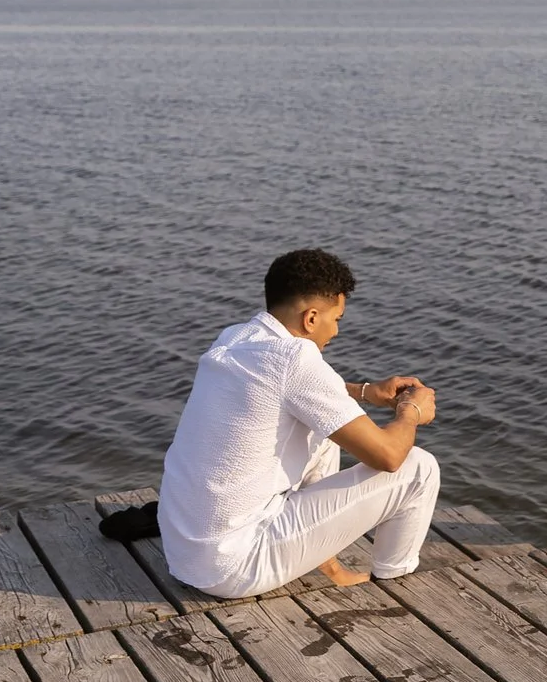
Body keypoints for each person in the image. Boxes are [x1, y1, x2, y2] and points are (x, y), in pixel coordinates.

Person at [157, 247, 441, 597]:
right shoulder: (296, 358)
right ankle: (394, 583)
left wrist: (365, 392)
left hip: (186, 554)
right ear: (311, 318)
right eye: (336, 319)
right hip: (234, 567)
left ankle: (326, 564)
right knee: (420, 468)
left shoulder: (236, 338)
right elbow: (389, 456)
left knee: (327, 429)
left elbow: (291, 391)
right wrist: (411, 411)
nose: (336, 331)